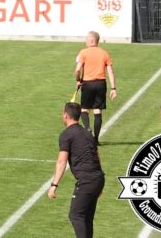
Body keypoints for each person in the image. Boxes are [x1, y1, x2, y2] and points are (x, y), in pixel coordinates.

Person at [47, 101, 104, 238]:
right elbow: (97, 156)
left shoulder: (66, 135)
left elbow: (62, 161)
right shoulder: (87, 133)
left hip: (87, 180)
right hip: (98, 178)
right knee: (86, 217)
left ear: (65, 115)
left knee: (76, 215)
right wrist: (99, 183)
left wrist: (54, 185)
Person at [73, 31, 117, 141]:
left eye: (87, 39)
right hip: (101, 84)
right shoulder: (104, 53)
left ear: (92, 41)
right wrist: (113, 88)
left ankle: (87, 128)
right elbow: (110, 72)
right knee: (97, 111)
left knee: (84, 109)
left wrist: (78, 80)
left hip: (87, 84)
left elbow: (77, 69)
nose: (85, 41)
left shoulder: (83, 52)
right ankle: (96, 139)